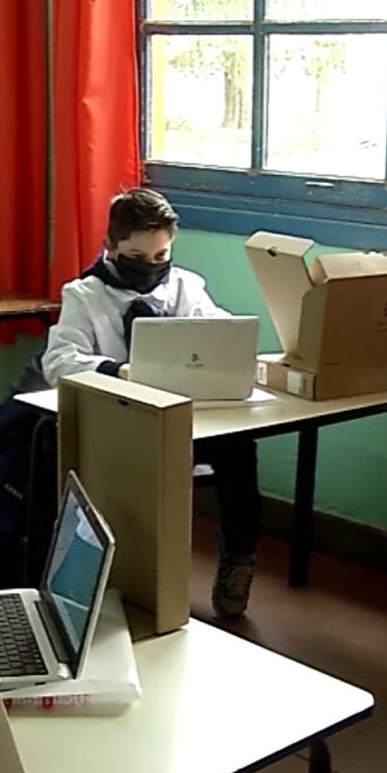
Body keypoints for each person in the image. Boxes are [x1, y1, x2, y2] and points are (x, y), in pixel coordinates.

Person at [41, 188, 262, 618]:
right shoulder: (84, 295)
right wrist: (119, 371)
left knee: (240, 448)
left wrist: (231, 356)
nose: (151, 266)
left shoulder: (185, 287)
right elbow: (59, 361)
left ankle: (239, 557)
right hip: (118, 419)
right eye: (138, 257)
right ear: (110, 246)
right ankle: (123, 571)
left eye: (162, 256)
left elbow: (220, 332)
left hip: (182, 417)